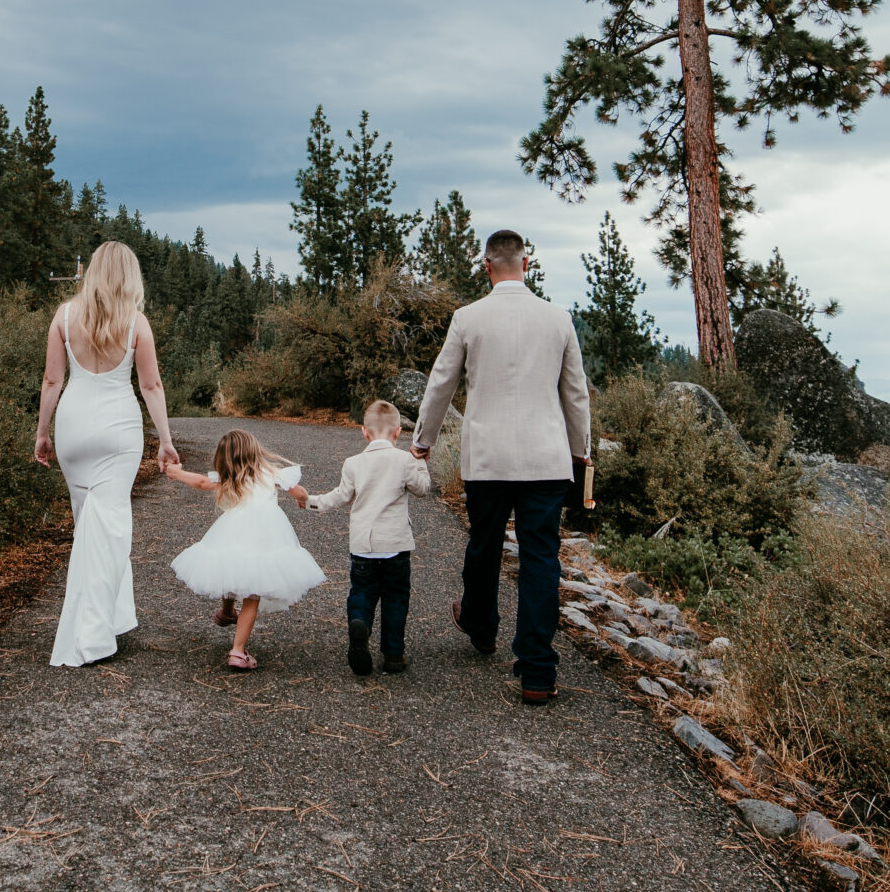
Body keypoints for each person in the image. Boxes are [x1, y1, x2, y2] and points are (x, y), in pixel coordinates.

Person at [410, 228, 592, 705]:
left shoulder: (468, 318)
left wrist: (422, 443)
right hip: (546, 459)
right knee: (540, 560)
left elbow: (441, 383)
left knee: (484, 543)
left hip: (488, 459)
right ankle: (536, 672)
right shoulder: (558, 319)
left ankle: (481, 624)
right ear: (525, 264)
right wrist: (581, 451)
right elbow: (575, 393)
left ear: (487, 267)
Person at [33, 241, 175, 668]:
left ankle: (111, 616)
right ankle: (92, 635)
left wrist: (42, 433)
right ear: (129, 276)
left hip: (74, 427)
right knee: (110, 531)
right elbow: (150, 386)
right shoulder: (136, 323)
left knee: (89, 529)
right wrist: (165, 439)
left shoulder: (64, 316)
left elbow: (51, 381)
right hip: (118, 432)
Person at [165, 428, 324, 671]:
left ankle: (228, 611)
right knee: (252, 591)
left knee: (231, 563)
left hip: (234, 529)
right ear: (255, 450)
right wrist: (302, 499)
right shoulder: (272, 472)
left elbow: (200, 481)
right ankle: (238, 650)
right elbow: (299, 491)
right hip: (267, 536)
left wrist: (175, 472)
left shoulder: (229, 476)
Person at [300, 400, 434, 676]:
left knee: (362, 591)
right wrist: (420, 462)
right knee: (396, 598)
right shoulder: (404, 459)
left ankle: (360, 621)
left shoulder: (353, 464)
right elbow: (422, 489)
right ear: (398, 432)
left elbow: (339, 497)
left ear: (364, 432)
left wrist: (311, 502)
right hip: (396, 545)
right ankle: (394, 654)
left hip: (364, 546)